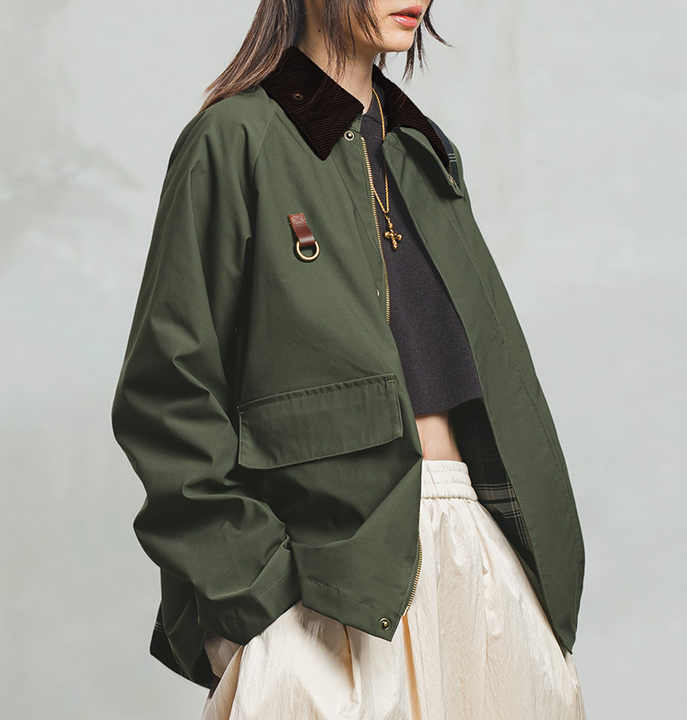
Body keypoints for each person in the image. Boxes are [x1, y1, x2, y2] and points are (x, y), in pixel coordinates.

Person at [111, 1, 587, 718]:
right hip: (328, 587)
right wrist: (257, 606)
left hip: (480, 564)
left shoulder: (421, 153)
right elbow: (166, 398)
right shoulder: (236, 140)